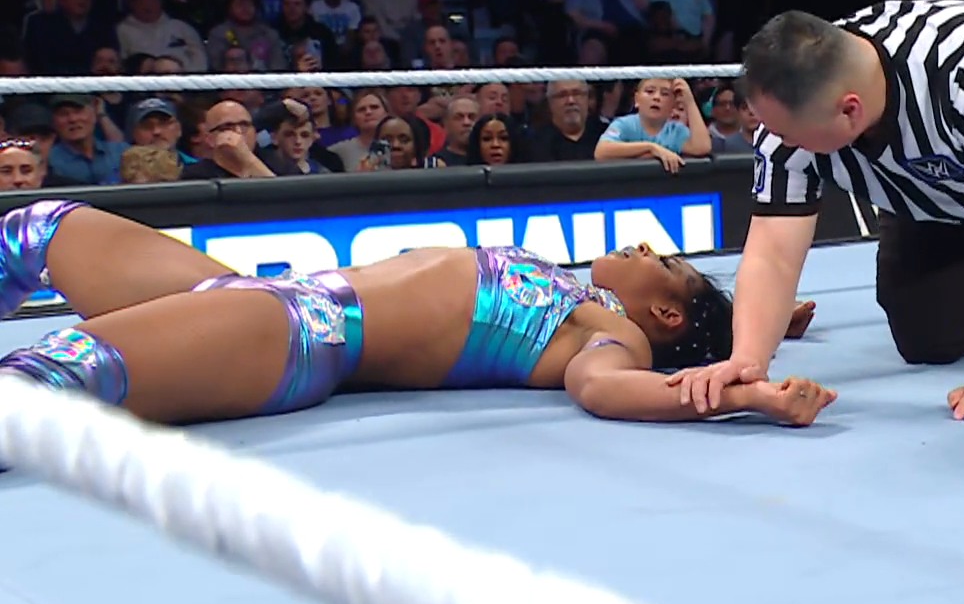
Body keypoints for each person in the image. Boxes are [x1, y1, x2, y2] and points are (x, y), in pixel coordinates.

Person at [672, 0, 964, 425]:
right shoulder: (790, 116)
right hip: (923, 188)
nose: (776, 141)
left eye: (789, 134)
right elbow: (773, 248)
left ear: (849, 112)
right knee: (927, 337)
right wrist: (747, 361)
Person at [0, 200, 834, 428]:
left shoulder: (607, 331)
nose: (649, 248)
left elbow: (605, 390)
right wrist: (766, 318)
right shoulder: (578, 291)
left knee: (48, 374)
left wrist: (736, 392)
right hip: (252, 293)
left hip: (297, 335)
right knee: (37, 229)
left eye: (666, 265)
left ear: (660, 314)